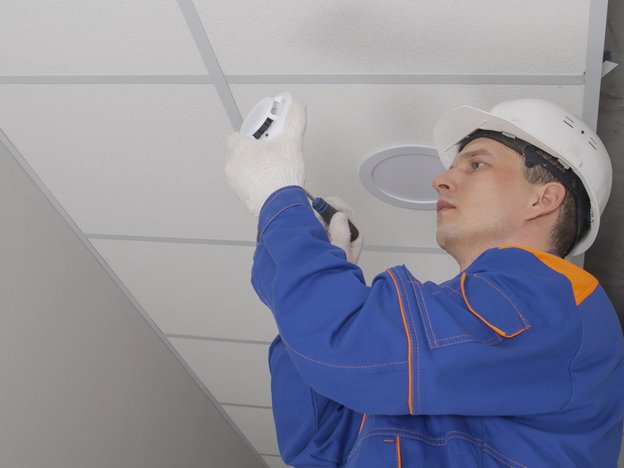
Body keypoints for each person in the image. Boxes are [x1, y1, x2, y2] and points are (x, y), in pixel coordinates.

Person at [224, 97, 624, 467]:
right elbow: (316, 445)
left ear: (544, 198)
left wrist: (280, 203)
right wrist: (319, 272)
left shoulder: (559, 299)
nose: (441, 181)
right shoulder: (456, 352)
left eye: (476, 164)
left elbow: (347, 350)